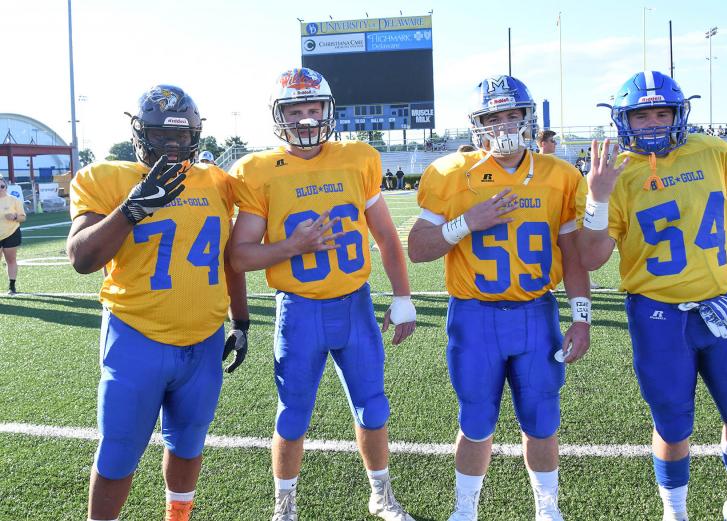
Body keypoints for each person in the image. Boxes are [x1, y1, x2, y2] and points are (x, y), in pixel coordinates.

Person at [579, 71, 727, 521]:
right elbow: (590, 257)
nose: (655, 123)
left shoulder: (716, 153)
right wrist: (597, 199)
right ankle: (674, 512)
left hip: (722, 304)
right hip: (656, 313)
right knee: (673, 423)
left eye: (663, 112)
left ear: (681, 113)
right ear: (624, 121)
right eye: (642, 116)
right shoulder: (616, 172)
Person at [227, 67, 417, 521]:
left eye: (314, 108)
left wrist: (403, 296)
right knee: (292, 415)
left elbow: (387, 237)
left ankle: (381, 495)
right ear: (280, 115)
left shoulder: (358, 157)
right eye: (296, 110)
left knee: (373, 407)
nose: (307, 118)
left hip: (354, 304)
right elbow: (239, 256)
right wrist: (292, 246)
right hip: (299, 311)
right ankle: (284, 506)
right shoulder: (257, 170)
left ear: (327, 110)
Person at [408, 74, 590, 521]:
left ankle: (547, 508)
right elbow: (418, 248)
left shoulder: (560, 175)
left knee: (542, 419)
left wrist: (582, 316)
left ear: (529, 118)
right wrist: (466, 222)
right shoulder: (451, 173)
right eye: (494, 117)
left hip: (535, 313)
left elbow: (572, 253)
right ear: (478, 124)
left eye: (513, 115)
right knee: (475, 420)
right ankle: (464, 510)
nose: (505, 125)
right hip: (475, 317)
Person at [66, 85, 250, 521]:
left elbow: (229, 256)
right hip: (136, 338)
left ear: (195, 137)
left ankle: (177, 517)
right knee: (118, 452)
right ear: (139, 133)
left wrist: (240, 320)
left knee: (188, 443)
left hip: (203, 341)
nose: (173, 144)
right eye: (161, 134)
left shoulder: (218, 182)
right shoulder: (106, 179)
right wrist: (131, 210)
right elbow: (82, 258)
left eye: (182, 136)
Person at [0, 177, 26, 294]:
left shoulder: (14, 200)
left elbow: (23, 217)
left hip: (12, 233)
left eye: (2, 186)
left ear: (6, 187)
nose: (0, 189)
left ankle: (12, 286)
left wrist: (15, 217)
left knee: (11, 260)